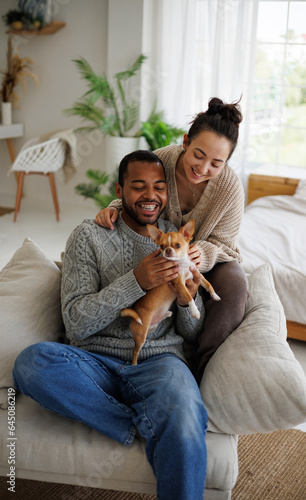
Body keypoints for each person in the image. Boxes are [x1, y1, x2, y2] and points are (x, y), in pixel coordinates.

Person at [13, 150, 208, 500]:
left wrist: (184, 301)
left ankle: (145, 417)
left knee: (184, 409)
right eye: (138, 186)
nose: (150, 196)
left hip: (160, 363)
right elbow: (75, 323)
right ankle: (135, 421)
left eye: (159, 187)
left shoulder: (176, 240)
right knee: (31, 363)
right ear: (120, 189)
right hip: (93, 363)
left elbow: (194, 332)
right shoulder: (89, 235)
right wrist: (135, 280)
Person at [95, 97, 249, 382]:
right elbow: (136, 193)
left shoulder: (230, 188)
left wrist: (202, 253)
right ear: (185, 141)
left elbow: (226, 244)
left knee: (236, 285)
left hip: (202, 254)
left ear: (226, 162)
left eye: (216, 163)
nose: (203, 169)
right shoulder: (161, 161)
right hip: (159, 248)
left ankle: (201, 369)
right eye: (198, 155)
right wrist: (113, 208)